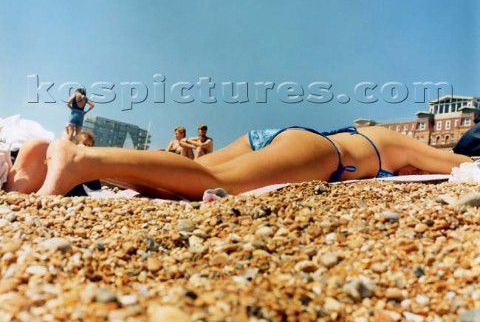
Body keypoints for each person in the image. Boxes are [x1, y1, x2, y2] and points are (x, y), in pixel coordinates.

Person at [3, 125, 472, 199]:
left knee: (177, 187)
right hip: (324, 153)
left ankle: (37, 167)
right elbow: (456, 164)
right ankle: (82, 157)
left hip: (279, 140)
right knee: (213, 177)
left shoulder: (378, 136)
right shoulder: (393, 140)